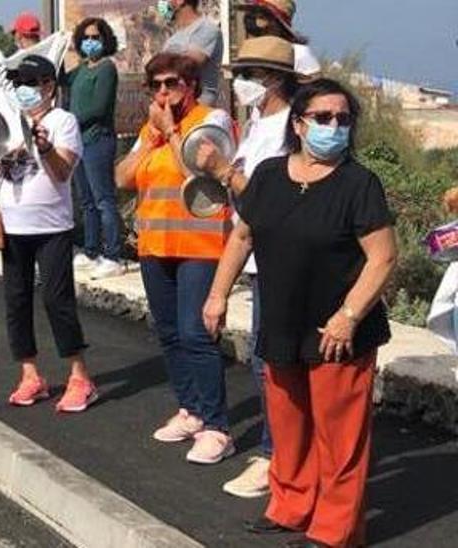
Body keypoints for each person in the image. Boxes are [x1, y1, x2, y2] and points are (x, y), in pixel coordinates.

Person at [203, 78, 397, 548]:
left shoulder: (359, 184)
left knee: (340, 437)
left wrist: (349, 315)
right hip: (282, 324)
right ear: (299, 123)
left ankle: (335, 530)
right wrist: (217, 295)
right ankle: (291, 505)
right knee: (288, 426)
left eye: (344, 119)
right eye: (324, 117)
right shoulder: (269, 175)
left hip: (338, 332)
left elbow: (384, 257)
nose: (335, 126)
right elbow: (243, 237)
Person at [116, 52, 236, 464]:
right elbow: (123, 178)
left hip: (200, 247)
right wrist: (152, 136)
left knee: (195, 334)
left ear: (191, 86)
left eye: (173, 83)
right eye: (157, 86)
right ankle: (191, 410)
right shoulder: (151, 130)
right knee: (168, 332)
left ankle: (218, 426)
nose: (164, 93)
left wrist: (169, 131)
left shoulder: (210, 121)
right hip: (156, 245)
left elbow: (200, 169)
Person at [195, 35, 301, 499]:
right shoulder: (258, 122)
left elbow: (270, 200)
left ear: (272, 78)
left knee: (271, 363)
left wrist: (222, 170)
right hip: (256, 256)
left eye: (246, 75)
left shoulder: (290, 130)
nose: (239, 84)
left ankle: (277, 456)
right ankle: (281, 453)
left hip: (280, 260)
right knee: (266, 362)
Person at [0, 55, 98, 413]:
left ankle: (80, 376)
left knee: (56, 300)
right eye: (17, 84)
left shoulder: (63, 121)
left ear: (48, 86)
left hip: (51, 227)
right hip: (13, 225)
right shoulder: (8, 122)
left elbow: (63, 172)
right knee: (16, 302)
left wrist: (43, 146)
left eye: (28, 83)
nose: (22, 90)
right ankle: (30, 374)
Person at [67, 17, 123, 280]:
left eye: (95, 38)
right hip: (79, 142)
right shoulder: (80, 70)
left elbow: (99, 108)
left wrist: (70, 120)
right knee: (86, 201)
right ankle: (91, 252)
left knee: (103, 200)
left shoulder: (106, 68)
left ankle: (113, 255)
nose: (90, 42)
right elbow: (56, 78)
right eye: (86, 38)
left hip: (98, 141)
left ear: (104, 40)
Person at [235, 0, 321, 81]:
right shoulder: (247, 48)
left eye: (262, 15)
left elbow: (314, 87)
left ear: (278, 25)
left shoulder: (299, 53)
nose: (254, 19)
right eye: (253, 13)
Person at [158, 0, 224, 105]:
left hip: (199, 109)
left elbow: (188, 65)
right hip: (173, 107)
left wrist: (162, 63)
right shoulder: (171, 40)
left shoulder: (208, 29)